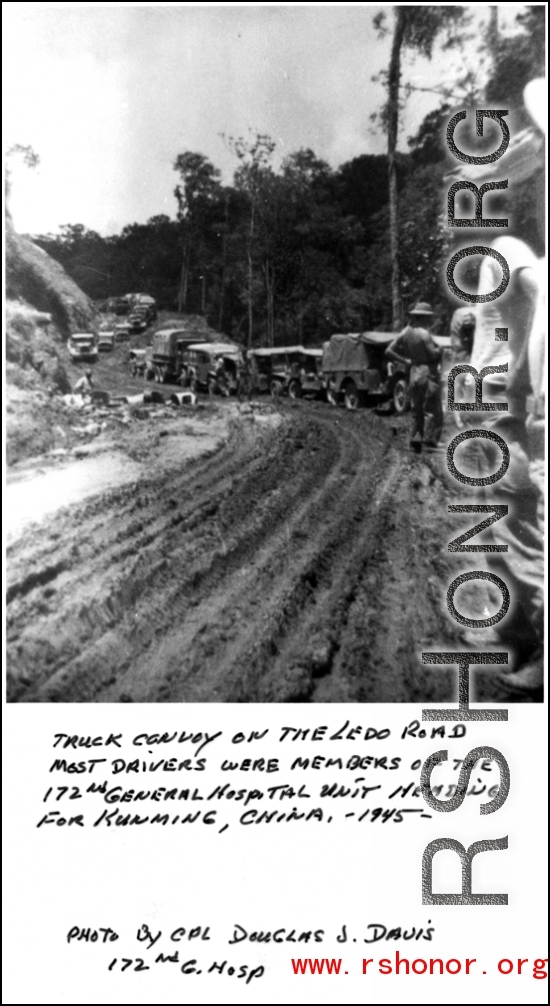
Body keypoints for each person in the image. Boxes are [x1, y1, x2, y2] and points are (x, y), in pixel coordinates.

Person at [445, 78, 545, 695]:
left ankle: (528, 649)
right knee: (502, 527)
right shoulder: (504, 251)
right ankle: (512, 642)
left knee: (513, 529)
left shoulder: (508, 250)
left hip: (498, 413)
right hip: (494, 412)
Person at [386, 301, 443, 451]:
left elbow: (389, 351)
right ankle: (430, 442)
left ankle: (415, 441)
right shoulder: (425, 334)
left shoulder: (406, 332)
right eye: (428, 318)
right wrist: (440, 350)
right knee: (431, 408)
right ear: (424, 318)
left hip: (413, 372)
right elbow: (432, 355)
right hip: (427, 372)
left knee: (416, 410)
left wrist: (404, 360)